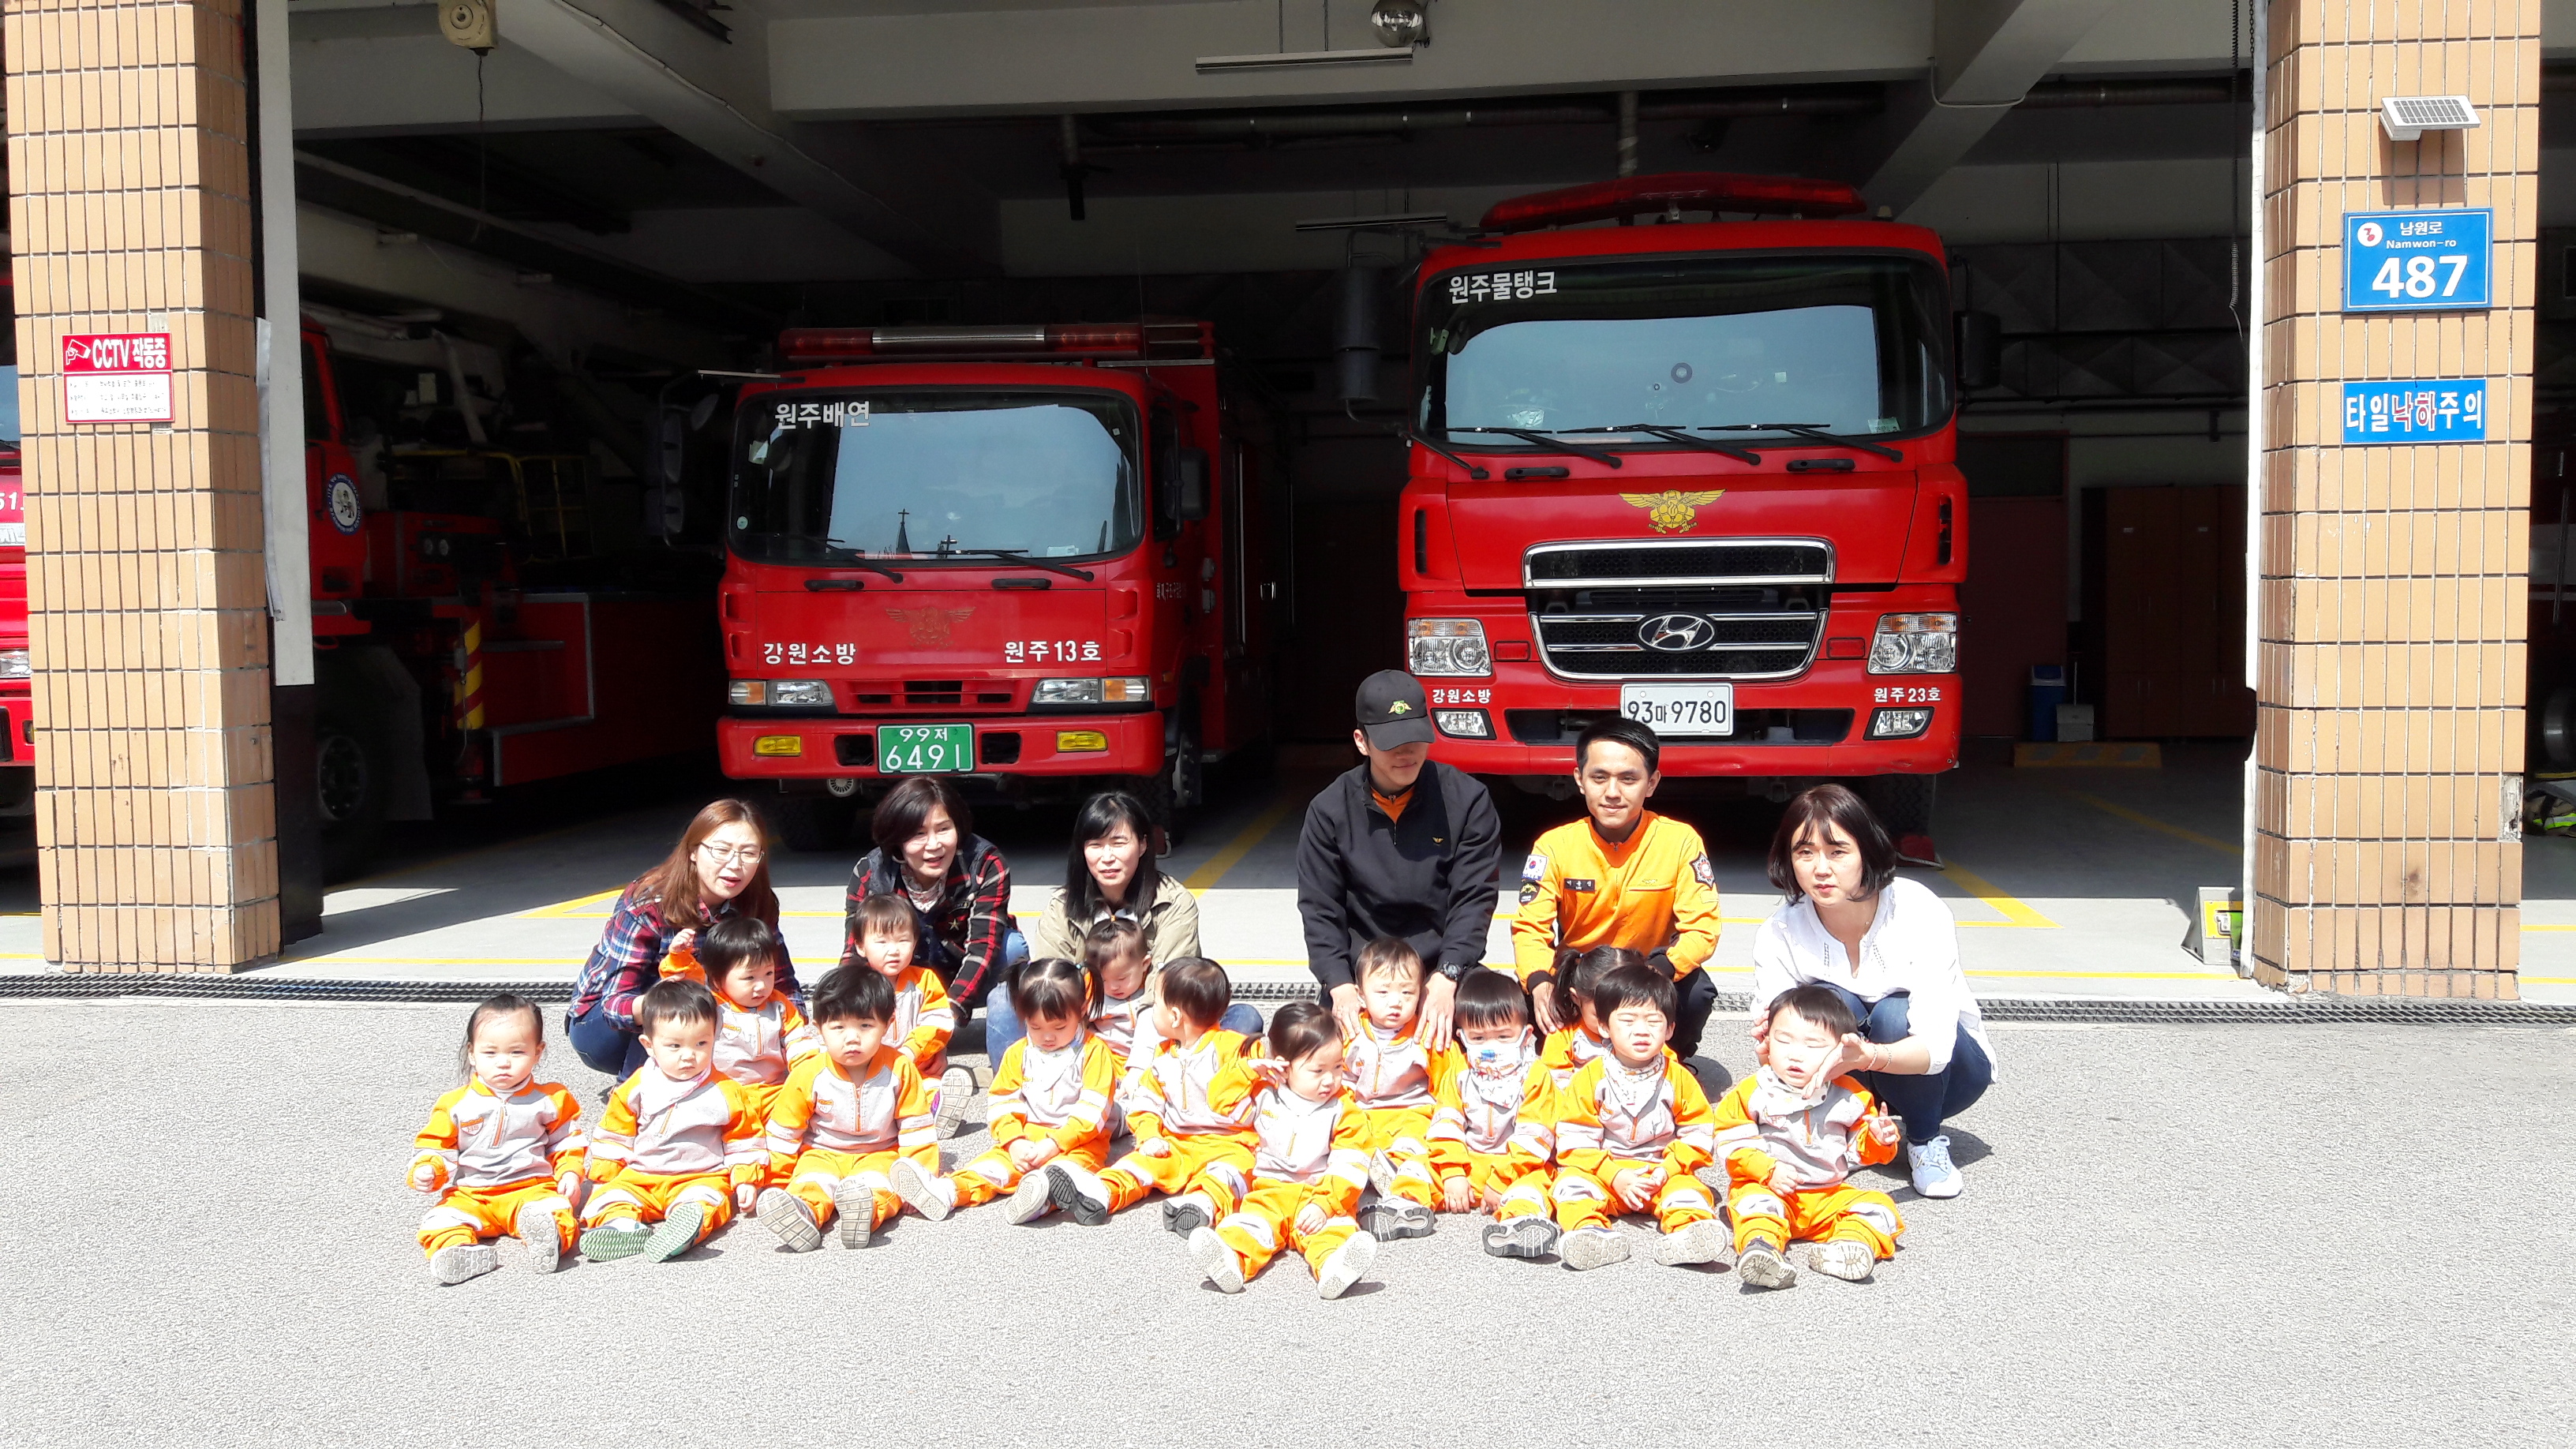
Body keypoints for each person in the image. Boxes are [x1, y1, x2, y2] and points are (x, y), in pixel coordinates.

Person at [1749, 783, 1996, 1200]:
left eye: (1837, 852)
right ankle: (1844, 1127)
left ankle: (1924, 1140)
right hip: (1843, 1075)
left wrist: (1868, 1056)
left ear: (1867, 851)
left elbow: (1936, 1048)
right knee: (1823, 1004)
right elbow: (1773, 1035)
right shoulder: (1781, 930)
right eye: (1805, 852)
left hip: (1950, 1075)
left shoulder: (1918, 910)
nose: (1820, 869)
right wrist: (1770, 1046)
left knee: (1893, 1015)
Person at [1297, 669, 1503, 1048]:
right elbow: (1320, 907)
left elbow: (1475, 898)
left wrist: (1448, 974)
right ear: (1362, 742)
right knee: (1322, 1054)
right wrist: (1338, 983)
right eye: (1391, 742)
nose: (1406, 753)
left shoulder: (1468, 800)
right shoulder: (1328, 810)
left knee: (1494, 1027)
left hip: (1441, 964)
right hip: (1363, 972)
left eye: (1414, 738)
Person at [1512, 717, 1723, 1059]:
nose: (1612, 792)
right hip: (1578, 978)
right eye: (1599, 777)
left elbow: (1703, 928)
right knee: (1518, 996)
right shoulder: (1553, 845)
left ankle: (1667, 1063)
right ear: (1579, 779)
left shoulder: (1681, 841)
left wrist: (1658, 973)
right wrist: (1539, 982)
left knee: (1697, 992)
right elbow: (1529, 928)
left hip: (1649, 974)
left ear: (1651, 783)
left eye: (1628, 779)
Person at [1018, 792, 1267, 1051]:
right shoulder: (1061, 908)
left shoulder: (1174, 903)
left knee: (1243, 1018)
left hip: (1161, 1035)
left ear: (1143, 844)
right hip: (1084, 1040)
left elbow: (1172, 987)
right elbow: (1051, 988)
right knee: (1003, 1002)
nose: (1107, 857)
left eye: (1118, 843)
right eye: (1096, 845)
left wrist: (1141, 1057)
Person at [569, 799, 794, 1077]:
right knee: (674, 1004)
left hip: (704, 1015)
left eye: (749, 853)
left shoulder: (758, 903)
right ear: (693, 852)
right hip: (604, 1028)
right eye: (721, 850)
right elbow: (614, 1005)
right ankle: (640, 1094)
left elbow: (783, 983)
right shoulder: (649, 904)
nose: (735, 865)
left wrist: (796, 1043)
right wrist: (666, 1000)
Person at [1709, 984, 1908, 1290]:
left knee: (1880, 1205)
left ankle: (1849, 1245)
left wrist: (1879, 1138)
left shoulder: (1851, 1096)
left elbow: (1859, 1150)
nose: (1795, 1055)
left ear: (1840, 1054)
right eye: (1783, 1040)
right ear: (1767, 1039)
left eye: (1812, 1045)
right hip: (1771, 1189)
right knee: (1754, 1204)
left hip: (1828, 1195)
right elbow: (1731, 1142)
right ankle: (1762, 1247)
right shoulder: (1754, 1091)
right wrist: (1766, 1169)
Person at [893, 957, 1119, 1226]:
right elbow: (1003, 1101)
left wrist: (1055, 1143)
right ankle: (948, 1191)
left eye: (1059, 1027)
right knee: (989, 1167)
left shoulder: (1094, 1052)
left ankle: (1040, 1200)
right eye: (1035, 1027)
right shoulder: (1018, 1052)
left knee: (1063, 1174)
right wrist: (1013, 1141)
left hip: (1079, 1144)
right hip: (1026, 1137)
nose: (1047, 1037)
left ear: (1081, 1009)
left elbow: (1092, 1112)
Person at [1043, 958, 1260, 1230]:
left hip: (1231, 1146)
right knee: (1138, 1164)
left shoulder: (1239, 1049)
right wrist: (1149, 1136)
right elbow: (1147, 1102)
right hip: (1175, 1142)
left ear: (1175, 1017)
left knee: (1229, 1175)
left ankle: (1201, 1204)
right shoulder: (1163, 1055)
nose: (1152, 1009)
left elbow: (1266, 1088)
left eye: (1156, 1003)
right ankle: (1101, 1192)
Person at [1186, 1002, 1381, 1300]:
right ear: (1284, 1066)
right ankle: (1230, 1260)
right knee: (1249, 1226)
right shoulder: (1264, 1095)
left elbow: (1351, 1163)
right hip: (1270, 1190)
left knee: (1334, 1231)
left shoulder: (1344, 1110)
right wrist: (1248, 1070)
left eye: (1337, 1067)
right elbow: (1220, 1102)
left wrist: (1325, 1205)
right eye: (1318, 1070)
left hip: (1319, 1194)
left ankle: (1334, 1266)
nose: (1330, 1079)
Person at [1548, 964, 1729, 1273]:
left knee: (1690, 1191)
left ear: (1670, 1029)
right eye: (1628, 1021)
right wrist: (1613, 1175)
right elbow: (1575, 1139)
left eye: (1654, 1021)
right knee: (1570, 1185)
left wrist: (1668, 1170)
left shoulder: (1678, 1078)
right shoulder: (1590, 1077)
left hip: (1660, 1173)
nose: (1642, 1031)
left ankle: (1688, 1232)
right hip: (1605, 1174)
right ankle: (1590, 1232)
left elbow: (1698, 1133)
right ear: (1604, 1027)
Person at [577, 979, 768, 1265]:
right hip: (641, 1175)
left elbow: (744, 1138)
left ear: (714, 1038)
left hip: (699, 1175)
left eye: (701, 1043)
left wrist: (746, 1179)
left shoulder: (725, 1091)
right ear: (649, 1045)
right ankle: (622, 1225)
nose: (689, 1055)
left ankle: (685, 1230)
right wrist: (605, 1171)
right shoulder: (638, 1086)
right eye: (675, 1046)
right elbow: (616, 1131)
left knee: (706, 1202)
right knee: (610, 1197)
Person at [841, 775, 1025, 1068]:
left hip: (968, 970)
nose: (934, 845)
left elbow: (983, 946)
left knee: (1012, 948)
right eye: (918, 834)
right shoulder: (871, 873)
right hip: (906, 977)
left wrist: (940, 1032)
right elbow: (855, 953)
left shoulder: (986, 864)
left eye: (943, 829)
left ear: (958, 827)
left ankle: (1013, 1070)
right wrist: (849, 1019)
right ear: (897, 838)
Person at [406, 994, 586, 1285]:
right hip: (472, 1193)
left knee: (557, 1211)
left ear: (538, 1053)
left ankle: (548, 1241)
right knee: (439, 1221)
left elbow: (566, 1143)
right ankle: (459, 1250)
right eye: (490, 1053)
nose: (503, 1063)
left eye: (517, 1052)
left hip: (531, 1189)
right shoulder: (455, 1104)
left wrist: (570, 1174)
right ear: (472, 1054)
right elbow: (437, 1146)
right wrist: (429, 1168)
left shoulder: (551, 1098)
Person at [757, 965, 938, 1252]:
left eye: (865, 1026)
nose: (852, 1038)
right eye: (838, 1027)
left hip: (879, 1153)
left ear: (887, 1024)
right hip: (821, 1153)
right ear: (819, 1029)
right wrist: (777, 1179)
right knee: (811, 1183)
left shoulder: (900, 1068)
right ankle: (804, 1213)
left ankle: (865, 1213)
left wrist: (920, 1179)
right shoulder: (809, 1073)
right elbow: (785, 1130)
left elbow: (916, 1128)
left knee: (879, 1186)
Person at [1428, 968, 1559, 1261]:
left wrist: (1501, 1181)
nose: (1491, 1048)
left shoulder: (1535, 1074)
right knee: (1422, 1167)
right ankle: (1405, 1204)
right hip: (1468, 1166)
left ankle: (1520, 1223)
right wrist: (1452, 1172)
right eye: (1478, 1038)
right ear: (1462, 1037)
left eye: (1503, 1036)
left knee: (1533, 1187)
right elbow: (1446, 1123)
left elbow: (1535, 1139)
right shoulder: (1460, 1071)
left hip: (1518, 1168)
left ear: (1525, 1035)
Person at [1340, 938, 1443, 1242]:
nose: (1395, 1002)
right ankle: (1344, 1202)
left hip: (1412, 1114)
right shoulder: (1351, 1033)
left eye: (1407, 992)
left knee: (1416, 1153)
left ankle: (1406, 1201)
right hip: (1363, 1115)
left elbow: (1449, 1083)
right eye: (1383, 992)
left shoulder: (1425, 1034)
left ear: (1421, 994)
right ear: (1361, 995)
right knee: (1346, 1150)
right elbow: (1339, 1081)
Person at [662, 916, 818, 1113]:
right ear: (717, 979)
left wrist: (806, 1070)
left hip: (773, 1091)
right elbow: (686, 983)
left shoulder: (779, 1005)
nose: (761, 985)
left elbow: (797, 1039)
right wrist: (679, 957)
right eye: (749, 977)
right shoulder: (712, 1004)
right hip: (723, 1092)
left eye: (769, 974)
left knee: (797, 1113)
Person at [848, 892, 972, 1136]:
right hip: (870, 1070)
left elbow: (937, 1022)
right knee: (863, 1094)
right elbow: (845, 1028)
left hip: (916, 1066)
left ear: (915, 943)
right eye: (882, 942)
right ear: (861, 946)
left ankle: (936, 1110)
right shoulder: (855, 986)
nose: (894, 951)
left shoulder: (925, 980)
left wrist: (913, 1050)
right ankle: (886, 1117)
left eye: (903, 941)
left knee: (929, 1087)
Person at [1537, 944, 1638, 1088]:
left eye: (1627, 1017)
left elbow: (1667, 1070)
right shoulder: (1564, 1036)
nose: (1611, 1025)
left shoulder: (1644, 1032)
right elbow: (1554, 1082)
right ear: (1576, 998)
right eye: (1601, 1016)